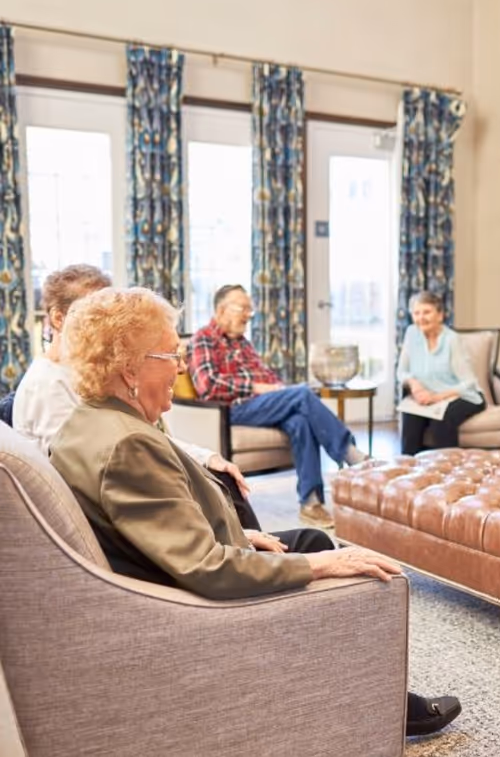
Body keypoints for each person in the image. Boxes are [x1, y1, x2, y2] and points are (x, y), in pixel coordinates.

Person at [50, 285, 461, 738]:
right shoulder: (128, 444)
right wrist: (315, 567)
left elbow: (164, 534)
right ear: (130, 366)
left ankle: (374, 693)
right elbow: (205, 568)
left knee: (311, 532)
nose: (181, 366)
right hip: (202, 605)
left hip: (186, 570)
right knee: (339, 562)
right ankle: (384, 707)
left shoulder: (93, 420)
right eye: (171, 356)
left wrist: (244, 537)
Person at [12, 265, 261, 531]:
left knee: (220, 477)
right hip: (104, 521)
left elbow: (142, 437)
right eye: (93, 311)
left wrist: (204, 456)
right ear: (58, 318)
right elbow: (89, 474)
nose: (106, 320)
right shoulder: (49, 385)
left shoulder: (87, 374)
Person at [188, 285, 367, 529]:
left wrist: (278, 389)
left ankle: (311, 502)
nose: (248, 315)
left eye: (250, 310)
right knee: (302, 394)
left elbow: (269, 377)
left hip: (261, 406)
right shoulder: (203, 339)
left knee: (300, 421)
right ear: (221, 310)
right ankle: (350, 453)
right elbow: (208, 385)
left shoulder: (243, 343)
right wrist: (256, 387)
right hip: (231, 410)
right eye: (243, 308)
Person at [397, 291, 486, 455]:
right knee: (410, 416)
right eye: (416, 313)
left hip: (463, 395)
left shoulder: (452, 340)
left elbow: (469, 382)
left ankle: (447, 471)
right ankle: (410, 471)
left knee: (442, 421)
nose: (421, 318)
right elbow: (402, 372)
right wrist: (415, 386)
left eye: (427, 312)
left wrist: (437, 397)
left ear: (440, 315)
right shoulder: (411, 333)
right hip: (426, 396)